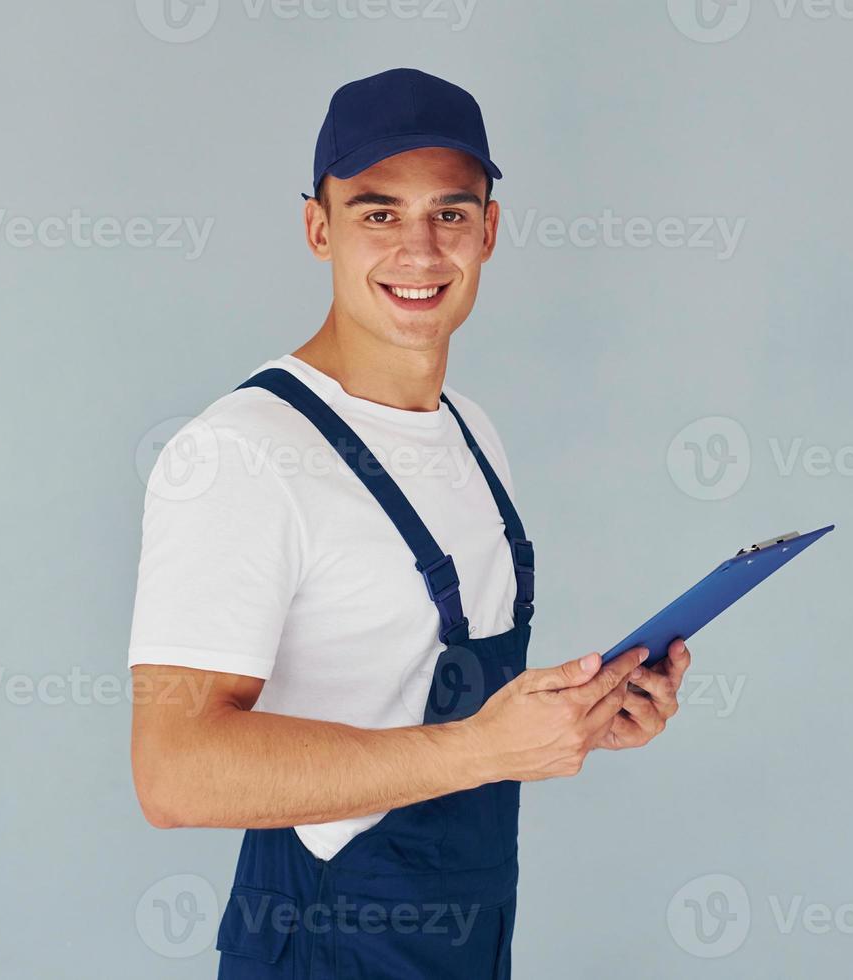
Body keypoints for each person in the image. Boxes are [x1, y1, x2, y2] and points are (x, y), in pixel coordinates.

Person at [127, 67, 692, 979]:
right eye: (378, 214)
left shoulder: (472, 432)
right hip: (325, 952)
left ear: (490, 231)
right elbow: (174, 770)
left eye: (451, 214)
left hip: (464, 945)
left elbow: (421, 693)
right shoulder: (241, 452)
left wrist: (578, 718)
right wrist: (478, 747)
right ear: (319, 227)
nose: (420, 251)